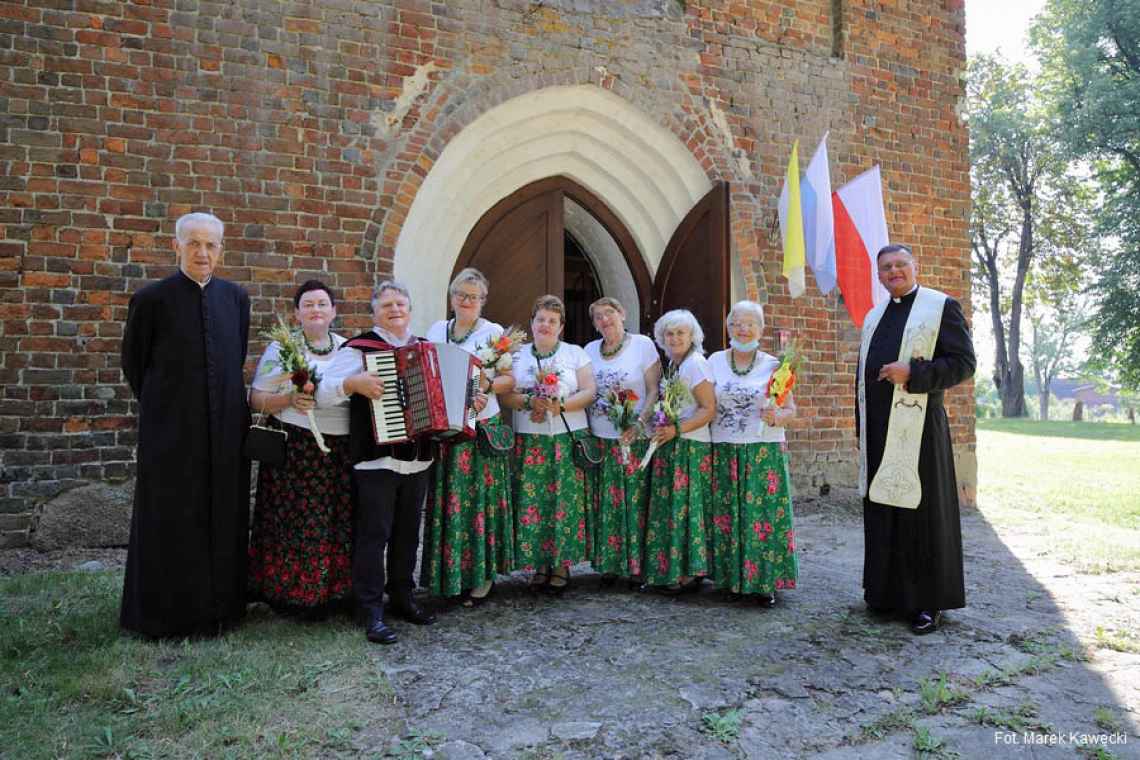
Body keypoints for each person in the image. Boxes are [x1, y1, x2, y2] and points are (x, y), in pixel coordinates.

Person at [119, 212, 251, 638]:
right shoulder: (151, 300)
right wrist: (169, 408)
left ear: (221, 250)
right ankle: (165, 616)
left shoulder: (236, 299)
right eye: (194, 243)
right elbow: (135, 364)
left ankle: (222, 610)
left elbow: (235, 359)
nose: (203, 252)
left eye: (211, 245)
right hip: (171, 432)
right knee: (172, 518)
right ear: (175, 246)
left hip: (226, 432)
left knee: (221, 513)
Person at [857, 244, 976, 635]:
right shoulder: (875, 317)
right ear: (879, 275)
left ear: (914, 266)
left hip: (921, 431)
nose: (893, 271)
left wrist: (914, 371)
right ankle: (886, 593)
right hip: (879, 430)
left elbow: (963, 364)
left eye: (900, 265)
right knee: (884, 510)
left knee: (921, 515)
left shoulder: (940, 306)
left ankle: (927, 602)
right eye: (886, 267)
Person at [315, 280, 437, 645]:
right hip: (375, 459)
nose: (395, 310)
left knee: (407, 534)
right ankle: (369, 608)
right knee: (373, 536)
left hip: (418, 458)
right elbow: (323, 392)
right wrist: (353, 384)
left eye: (400, 303)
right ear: (375, 312)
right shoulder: (359, 349)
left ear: (410, 309)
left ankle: (402, 596)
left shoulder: (427, 350)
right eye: (387, 305)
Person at [247, 280, 353, 619]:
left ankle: (336, 592)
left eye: (322, 303)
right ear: (297, 313)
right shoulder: (282, 349)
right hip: (296, 448)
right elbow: (256, 398)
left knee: (336, 520)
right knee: (294, 521)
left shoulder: (350, 349)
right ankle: (291, 595)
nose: (316, 310)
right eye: (308, 304)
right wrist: (289, 399)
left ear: (334, 311)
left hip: (340, 449)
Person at [421, 268, 516, 607]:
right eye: (461, 295)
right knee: (448, 503)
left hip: (480, 430)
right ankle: (448, 574)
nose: (466, 302)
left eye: (473, 297)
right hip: (446, 430)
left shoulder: (493, 333)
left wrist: (487, 387)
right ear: (451, 299)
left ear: (482, 301)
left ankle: (481, 575)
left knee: (479, 503)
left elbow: (509, 380)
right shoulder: (436, 330)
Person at [501, 295, 597, 596]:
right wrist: (531, 400)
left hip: (567, 438)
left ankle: (561, 565)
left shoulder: (574, 353)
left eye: (552, 321)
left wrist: (561, 405)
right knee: (535, 503)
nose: (545, 325)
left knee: (564, 504)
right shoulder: (517, 356)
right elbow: (506, 396)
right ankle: (539, 563)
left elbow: (590, 390)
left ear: (561, 326)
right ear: (532, 323)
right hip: (531, 439)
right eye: (540, 319)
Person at [708, 300, 798, 607]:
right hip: (724, 448)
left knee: (762, 516)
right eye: (736, 324)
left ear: (760, 329)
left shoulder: (775, 365)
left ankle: (763, 582)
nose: (743, 330)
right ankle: (731, 580)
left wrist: (777, 417)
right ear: (728, 328)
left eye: (749, 324)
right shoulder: (715, 361)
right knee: (728, 513)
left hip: (763, 451)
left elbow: (790, 409)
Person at [584, 297, 660, 586]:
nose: (605, 320)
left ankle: (637, 566)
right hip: (602, 438)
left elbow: (654, 389)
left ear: (622, 314)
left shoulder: (642, 345)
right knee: (608, 504)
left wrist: (640, 424)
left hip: (634, 438)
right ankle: (610, 565)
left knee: (635, 502)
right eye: (598, 317)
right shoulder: (590, 350)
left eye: (610, 313)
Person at [643, 309, 716, 594]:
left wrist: (677, 430)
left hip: (690, 444)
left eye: (680, 333)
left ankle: (689, 572)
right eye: (669, 334)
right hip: (671, 444)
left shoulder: (696, 364)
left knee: (686, 509)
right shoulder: (673, 364)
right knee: (672, 508)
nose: (674, 338)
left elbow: (708, 408)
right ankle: (670, 570)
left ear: (692, 336)